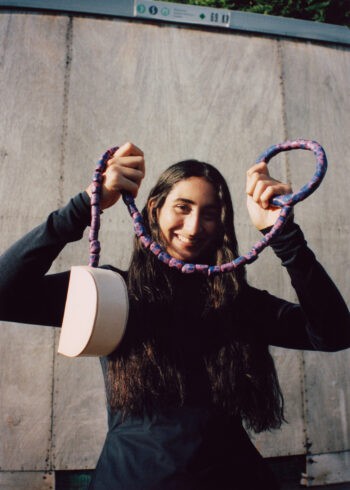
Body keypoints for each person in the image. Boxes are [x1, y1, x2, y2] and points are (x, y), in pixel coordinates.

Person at [0, 141, 349, 490]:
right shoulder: (113, 291)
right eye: (182, 207)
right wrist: (83, 206)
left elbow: (335, 334)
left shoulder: (239, 302)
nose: (194, 226)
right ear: (154, 209)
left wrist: (284, 236)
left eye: (209, 213)